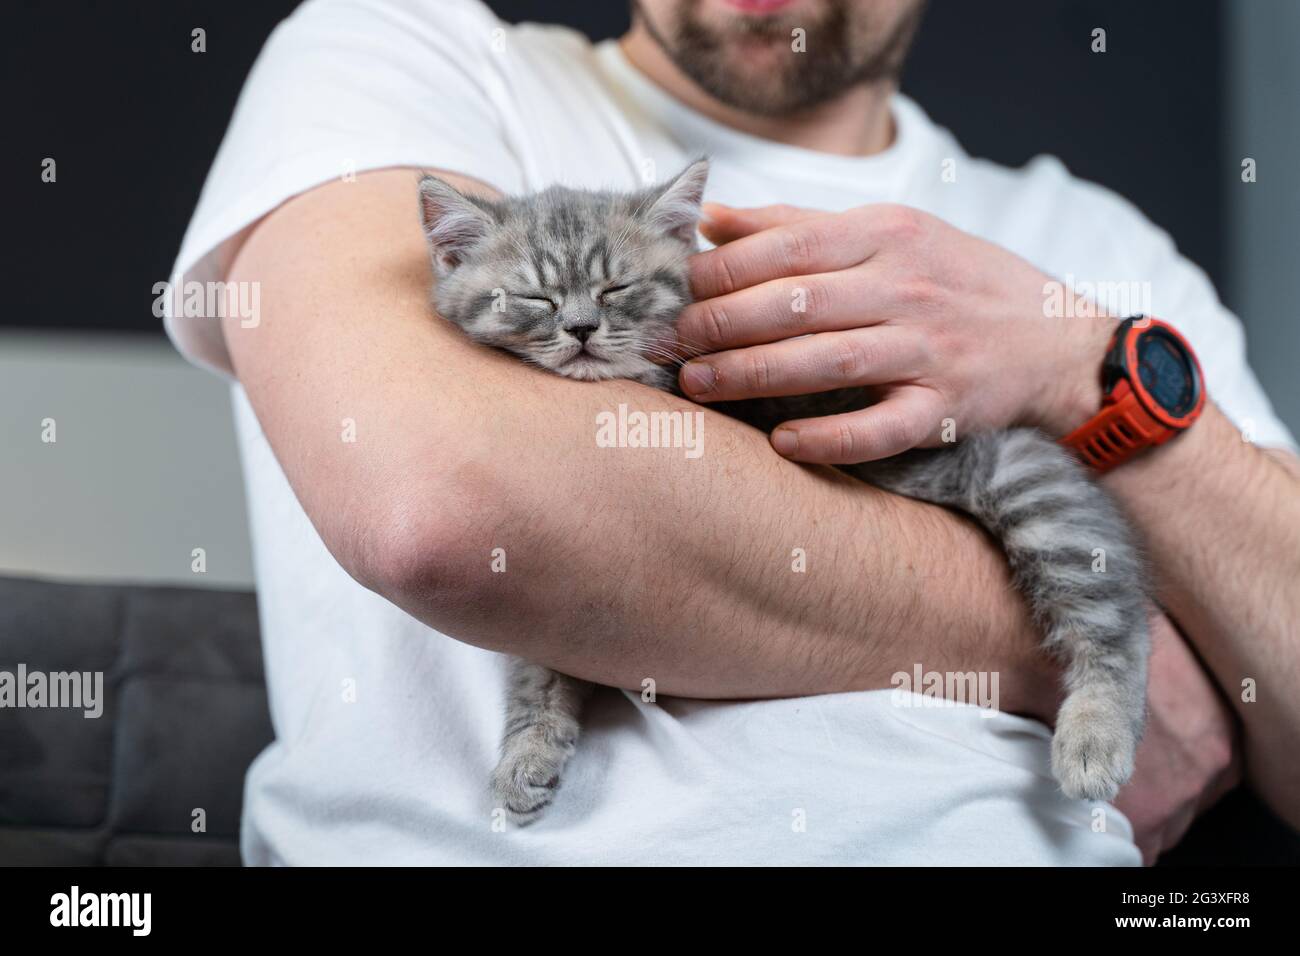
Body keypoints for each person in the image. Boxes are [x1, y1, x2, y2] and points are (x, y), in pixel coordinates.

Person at [167, 0, 1299, 864]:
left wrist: (1082, 364)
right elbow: (445, 506)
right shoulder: (402, 50)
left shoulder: (1097, 240)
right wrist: (1075, 649)